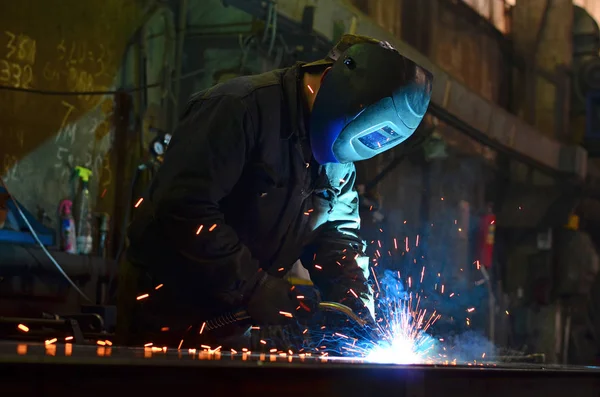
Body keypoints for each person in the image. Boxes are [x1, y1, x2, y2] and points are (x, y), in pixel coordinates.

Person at [120, 34, 433, 351]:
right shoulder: (237, 108)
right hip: (165, 315)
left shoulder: (335, 155)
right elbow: (184, 209)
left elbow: (335, 231)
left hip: (234, 320)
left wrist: (352, 301)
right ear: (329, 80)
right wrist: (254, 286)